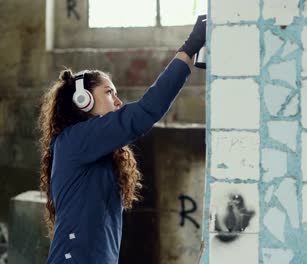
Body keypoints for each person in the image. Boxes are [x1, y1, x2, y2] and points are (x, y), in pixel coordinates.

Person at [38, 15, 206, 263]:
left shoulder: (97, 148)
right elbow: (146, 111)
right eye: (109, 93)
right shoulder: (75, 140)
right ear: (83, 101)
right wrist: (189, 48)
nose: (118, 101)